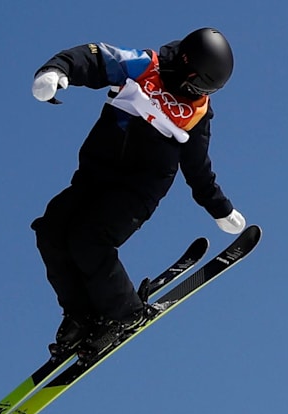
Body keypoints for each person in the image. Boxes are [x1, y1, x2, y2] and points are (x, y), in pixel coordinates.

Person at [29, 27, 246, 358]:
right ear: (185, 68)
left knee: (90, 240)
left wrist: (220, 208)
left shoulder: (197, 112)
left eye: (205, 92)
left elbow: (198, 167)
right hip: (94, 177)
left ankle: (126, 313)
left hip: (138, 190)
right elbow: (96, 57)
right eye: (196, 88)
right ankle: (80, 314)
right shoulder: (144, 67)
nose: (197, 96)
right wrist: (59, 69)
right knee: (51, 231)